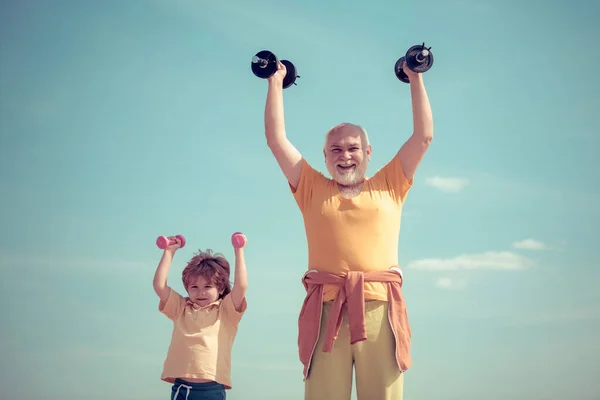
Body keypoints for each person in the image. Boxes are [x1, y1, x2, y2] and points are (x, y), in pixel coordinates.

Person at [262, 60, 433, 400]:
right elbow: (276, 139)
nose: (345, 156)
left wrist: (415, 76)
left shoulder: (390, 183)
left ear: (368, 152)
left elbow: (423, 136)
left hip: (380, 309)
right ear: (325, 156)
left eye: (353, 148)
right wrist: (275, 81)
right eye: (336, 150)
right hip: (327, 311)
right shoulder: (311, 187)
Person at [152, 234, 249, 400]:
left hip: (212, 389)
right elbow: (159, 285)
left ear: (220, 288)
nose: (200, 291)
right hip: (182, 387)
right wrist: (169, 251)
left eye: (208, 286)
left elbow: (241, 286)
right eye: (194, 286)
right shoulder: (181, 307)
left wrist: (238, 250)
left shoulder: (226, 311)